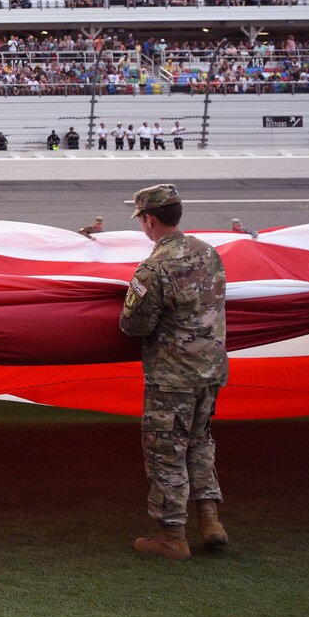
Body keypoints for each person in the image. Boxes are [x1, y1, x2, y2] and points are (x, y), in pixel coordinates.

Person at [118, 184, 228, 560]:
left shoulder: (154, 267)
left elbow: (134, 326)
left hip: (172, 377)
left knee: (166, 452)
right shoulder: (209, 253)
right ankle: (211, 521)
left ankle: (172, 537)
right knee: (199, 443)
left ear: (148, 219)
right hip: (209, 371)